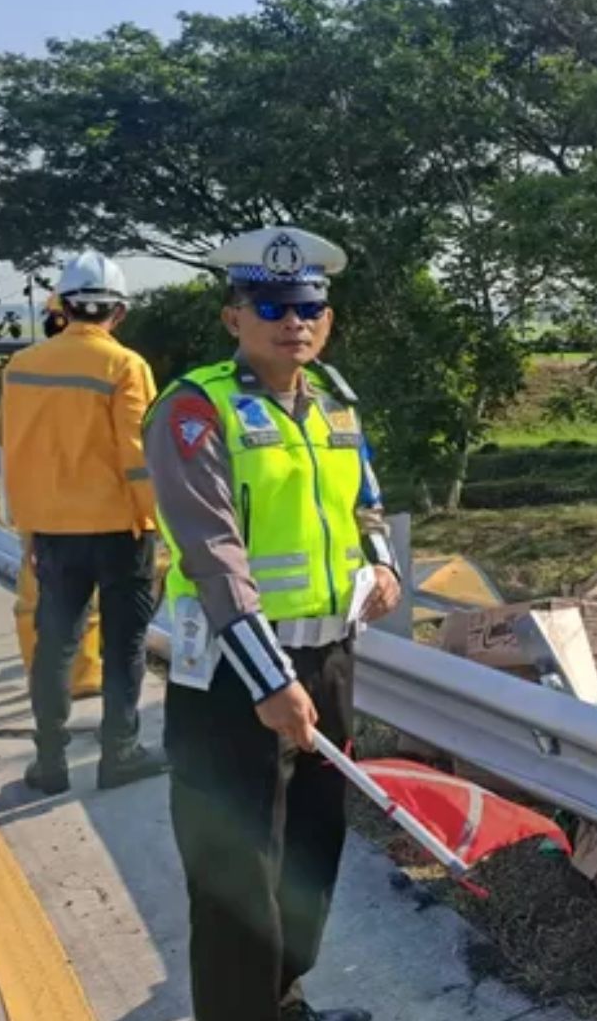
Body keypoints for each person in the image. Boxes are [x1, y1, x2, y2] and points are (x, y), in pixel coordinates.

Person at [146, 225, 401, 1021]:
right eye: (271, 305)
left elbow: (364, 501)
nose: (293, 322)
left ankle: (282, 997)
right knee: (236, 868)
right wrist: (270, 683)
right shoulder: (194, 410)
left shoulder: (335, 403)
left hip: (327, 659)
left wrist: (383, 559)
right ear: (234, 317)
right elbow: (215, 556)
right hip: (233, 676)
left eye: (308, 308)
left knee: (309, 853)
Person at [0, 251, 166, 794]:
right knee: (123, 645)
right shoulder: (125, 366)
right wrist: (158, 524)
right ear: (118, 313)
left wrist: (29, 520)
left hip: (51, 531)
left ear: (64, 307)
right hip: (121, 531)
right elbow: (141, 455)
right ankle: (119, 754)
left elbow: (8, 442)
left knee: (56, 643)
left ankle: (49, 763)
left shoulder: (20, 366)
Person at [14, 294, 105, 701]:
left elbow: (5, 434)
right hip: (96, 503)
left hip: (41, 502)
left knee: (37, 595)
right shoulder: (115, 362)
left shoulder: (25, 366)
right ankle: (83, 677)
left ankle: (45, 678)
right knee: (89, 596)